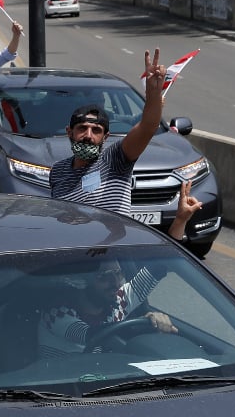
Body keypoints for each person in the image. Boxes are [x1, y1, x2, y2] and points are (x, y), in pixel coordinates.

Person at [48, 49, 203, 242]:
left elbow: (147, 127)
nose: (88, 136)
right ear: (69, 132)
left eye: (96, 130)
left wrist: (153, 95)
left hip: (110, 258)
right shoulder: (58, 171)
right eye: (82, 128)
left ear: (106, 137)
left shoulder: (114, 159)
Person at [37, 257, 177, 358]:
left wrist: (180, 221)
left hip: (105, 377)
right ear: (82, 281)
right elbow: (91, 335)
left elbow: (158, 266)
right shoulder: (56, 313)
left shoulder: (117, 300)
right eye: (104, 277)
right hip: (62, 386)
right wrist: (146, 325)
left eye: (118, 273)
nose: (115, 283)